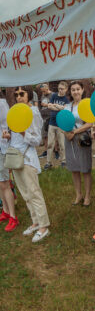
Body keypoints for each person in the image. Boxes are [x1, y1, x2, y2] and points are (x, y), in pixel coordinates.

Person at [2, 86, 50, 241]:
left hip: (27, 158)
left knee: (34, 192)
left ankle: (43, 226)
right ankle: (35, 221)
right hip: (15, 157)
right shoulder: (16, 111)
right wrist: (9, 136)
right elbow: (16, 137)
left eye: (21, 94)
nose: (18, 97)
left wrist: (24, 133)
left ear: (29, 95)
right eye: (16, 94)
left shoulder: (33, 112)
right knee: (25, 193)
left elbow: (37, 140)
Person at [62, 81, 93, 207]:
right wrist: (66, 133)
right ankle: (78, 194)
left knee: (85, 168)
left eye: (78, 89)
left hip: (82, 138)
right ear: (70, 91)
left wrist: (74, 132)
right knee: (74, 169)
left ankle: (87, 195)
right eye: (73, 89)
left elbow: (90, 123)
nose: (75, 92)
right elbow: (63, 122)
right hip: (69, 139)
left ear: (82, 90)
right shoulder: (67, 106)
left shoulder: (86, 104)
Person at [44, 81, 69, 170]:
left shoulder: (66, 99)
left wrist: (56, 105)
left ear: (66, 89)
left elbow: (65, 109)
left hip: (61, 124)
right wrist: (58, 107)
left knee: (62, 144)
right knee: (50, 144)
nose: (60, 90)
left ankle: (64, 161)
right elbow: (49, 106)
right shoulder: (54, 95)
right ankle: (48, 162)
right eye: (59, 88)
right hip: (52, 123)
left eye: (62, 89)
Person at [0, 93, 16, 231]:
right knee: (0, 183)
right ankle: (5, 211)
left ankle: (13, 216)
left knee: (5, 183)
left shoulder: (2, 103)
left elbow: (5, 125)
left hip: (2, 148)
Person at [38, 83, 53, 158]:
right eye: (42, 92)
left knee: (52, 135)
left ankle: (55, 151)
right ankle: (46, 151)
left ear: (47, 89)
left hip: (50, 117)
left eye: (44, 91)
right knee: (44, 135)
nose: (43, 93)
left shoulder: (52, 95)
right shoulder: (43, 95)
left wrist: (46, 105)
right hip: (43, 117)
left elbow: (55, 105)